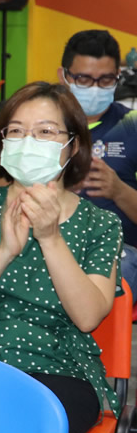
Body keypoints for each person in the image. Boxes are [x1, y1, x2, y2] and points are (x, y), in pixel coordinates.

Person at [0, 81, 122, 433]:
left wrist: (51, 239)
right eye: (17, 131)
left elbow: (88, 316)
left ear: (73, 145)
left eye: (46, 132)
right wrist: (4, 251)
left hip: (59, 369)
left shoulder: (101, 225)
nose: (29, 141)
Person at [62, 30, 137, 290]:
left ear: (118, 77)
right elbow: (2, 196)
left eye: (105, 80)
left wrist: (118, 191)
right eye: (83, 79)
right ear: (65, 76)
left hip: (120, 252)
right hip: (48, 244)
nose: (95, 88)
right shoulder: (40, 123)